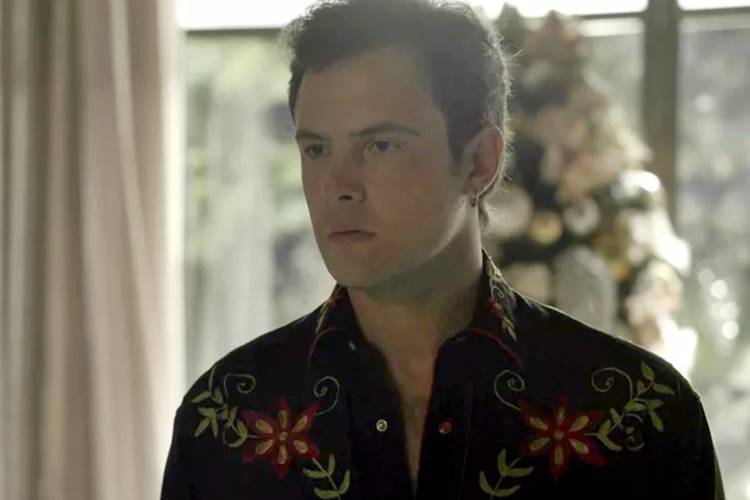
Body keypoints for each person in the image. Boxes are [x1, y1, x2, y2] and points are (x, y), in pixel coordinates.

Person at [161, 1, 724, 498]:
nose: (338, 187)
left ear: (479, 162)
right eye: (316, 150)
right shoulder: (228, 420)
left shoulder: (639, 416)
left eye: (380, 145)